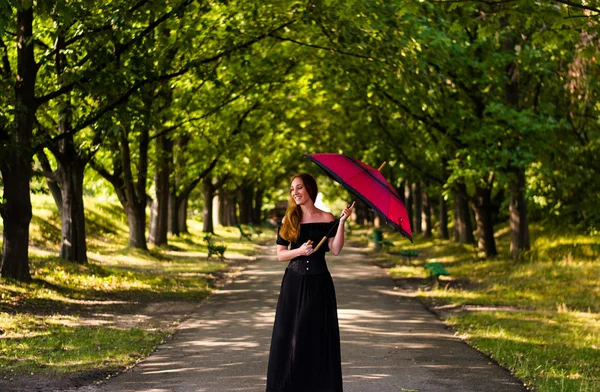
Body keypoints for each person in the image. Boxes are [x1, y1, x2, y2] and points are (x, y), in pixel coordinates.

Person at [266, 173, 354, 392]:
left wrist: (341, 222)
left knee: (316, 335)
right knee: (292, 335)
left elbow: (335, 249)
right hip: (294, 284)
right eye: (292, 189)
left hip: (319, 284)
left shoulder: (327, 218)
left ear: (310, 190)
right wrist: (299, 251)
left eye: (299, 188)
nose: (295, 193)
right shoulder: (290, 219)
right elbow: (280, 254)